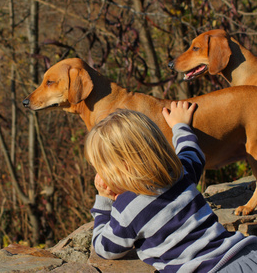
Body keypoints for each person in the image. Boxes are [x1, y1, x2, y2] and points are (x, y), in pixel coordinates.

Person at [84, 102, 257, 273]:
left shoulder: (127, 208)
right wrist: (180, 125)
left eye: (100, 168)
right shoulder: (179, 173)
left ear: (122, 168)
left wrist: (104, 200)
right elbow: (191, 151)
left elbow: (104, 248)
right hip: (245, 255)